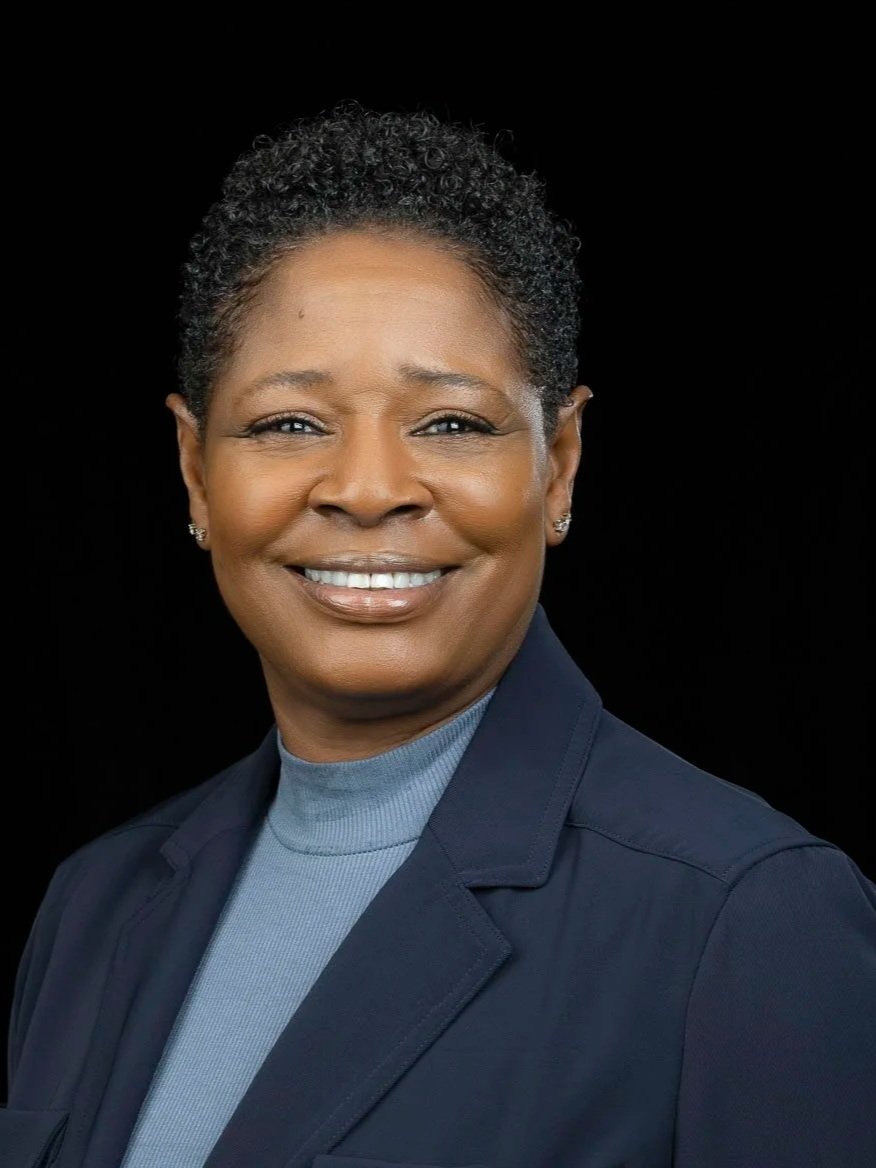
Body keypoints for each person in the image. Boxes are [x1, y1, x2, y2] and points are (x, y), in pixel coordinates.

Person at [3, 103, 874, 1168]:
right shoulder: (96, 907)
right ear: (195, 471)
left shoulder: (743, 916)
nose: (368, 490)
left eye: (451, 422)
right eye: (289, 424)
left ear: (558, 466)